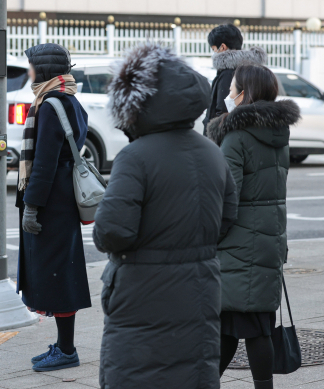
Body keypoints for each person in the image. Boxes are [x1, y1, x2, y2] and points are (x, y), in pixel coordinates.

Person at [94, 43, 238, 389]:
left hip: (143, 292)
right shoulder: (211, 152)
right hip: (200, 286)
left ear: (134, 104)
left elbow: (113, 232)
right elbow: (228, 215)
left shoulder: (134, 156)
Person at [207, 64, 301, 389]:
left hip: (237, 246)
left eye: (232, 88)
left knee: (230, 327)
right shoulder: (278, 135)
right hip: (267, 242)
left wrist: (208, 239)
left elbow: (225, 200)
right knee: (256, 324)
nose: (227, 94)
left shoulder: (235, 137)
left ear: (244, 94)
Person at [16, 43, 91, 372]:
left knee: (56, 276)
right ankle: (63, 345)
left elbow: (44, 162)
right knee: (62, 273)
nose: (30, 71)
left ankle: (66, 350)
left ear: (43, 70)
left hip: (51, 203)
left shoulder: (49, 104)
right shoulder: (70, 99)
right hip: (63, 200)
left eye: (32, 66)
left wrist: (32, 206)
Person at [203, 23, 267, 135]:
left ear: (222, 47)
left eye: (213, 49)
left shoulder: (228, 73)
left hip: (222, 137)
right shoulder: (250, 70)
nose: (213, 53)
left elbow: (222, 110)